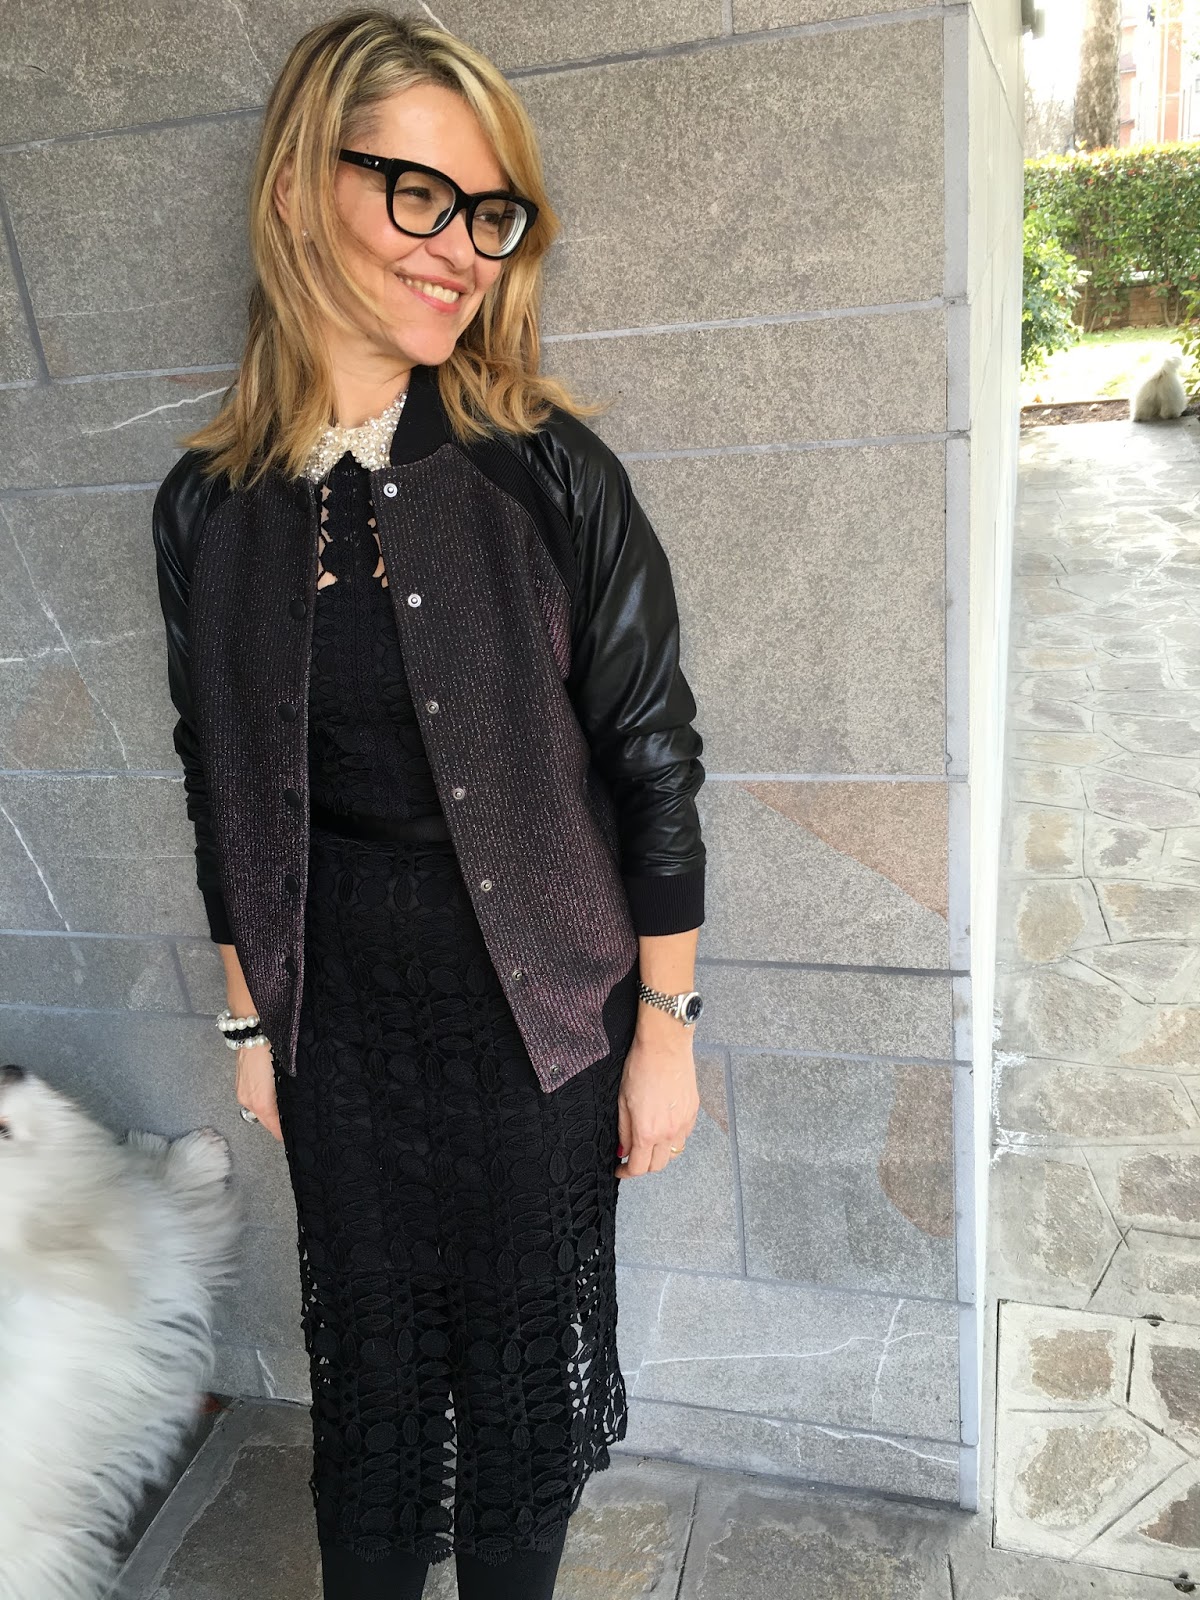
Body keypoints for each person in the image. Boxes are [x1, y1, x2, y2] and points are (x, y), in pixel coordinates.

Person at [151, 10, 707, 1598]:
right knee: (375, 1393)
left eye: (488, 211)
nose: (458, 246)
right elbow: (219, 782)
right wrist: (252, 1021)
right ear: (297, 186)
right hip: (337, 1029)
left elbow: (653, 759)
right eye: (416, 191)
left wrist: (666, 1029)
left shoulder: (549, 474)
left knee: (515, 1402)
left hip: (534, 1022)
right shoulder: (206, 506)